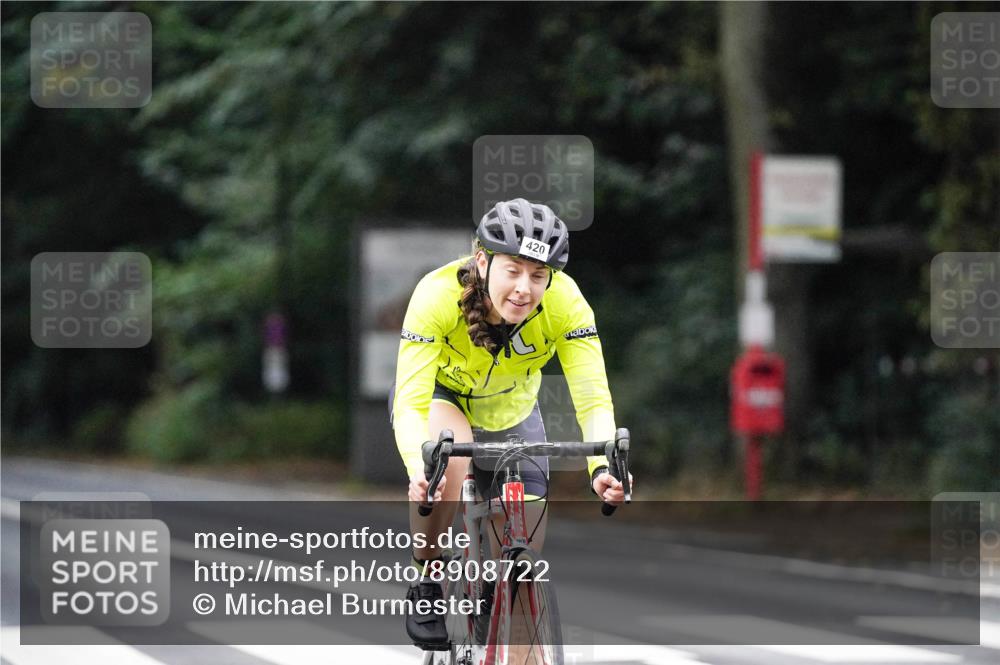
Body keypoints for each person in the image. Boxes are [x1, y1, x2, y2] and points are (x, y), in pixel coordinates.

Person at [389, 198, 634, 648]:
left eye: (538, 275)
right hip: (446, 400)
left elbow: (592, 395)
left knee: (522, 574)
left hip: (514, 413)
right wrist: (418, 468)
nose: (525, 288)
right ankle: (427, 578)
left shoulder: (567, 305)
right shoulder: (436, 295)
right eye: (513, 270)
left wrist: (600, 468)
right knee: (450, 458)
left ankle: (498, 607)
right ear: (482, 261)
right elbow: (410, 399)